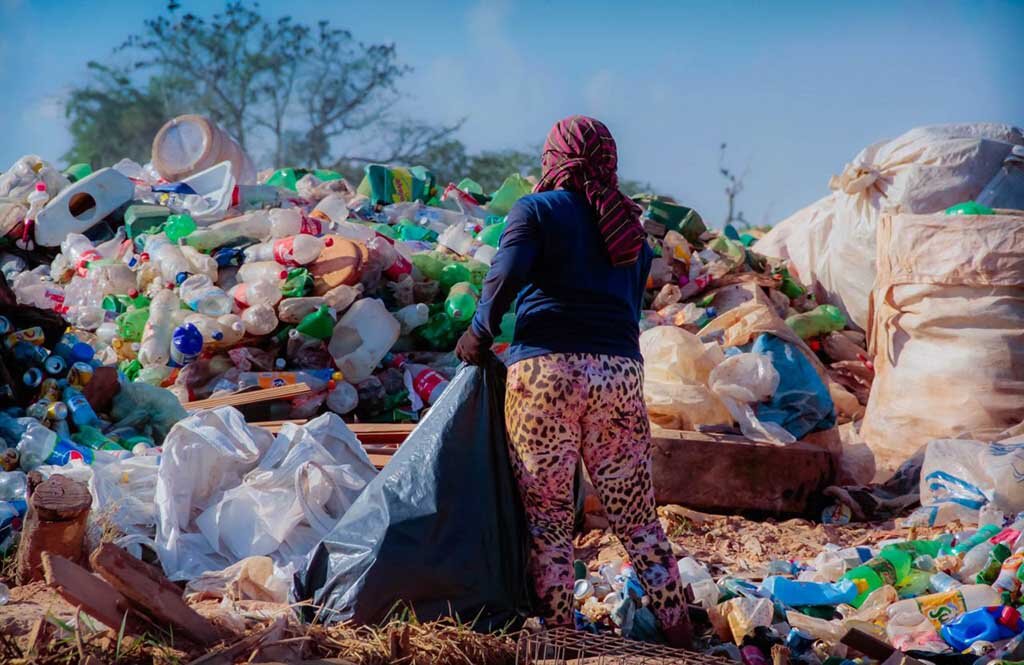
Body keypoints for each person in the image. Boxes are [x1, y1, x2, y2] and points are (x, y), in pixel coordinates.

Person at [456, 115, 692, 647]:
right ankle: (681, 636)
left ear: (552, 159)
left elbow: (504, 276)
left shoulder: (536, 210)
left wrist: (477, 331)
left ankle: (563, 641)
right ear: (609, 161)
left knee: (549, 520)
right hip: (619, 376)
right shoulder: (629, 228)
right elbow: (629, 308)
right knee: (638, 518)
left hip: (546, 376)